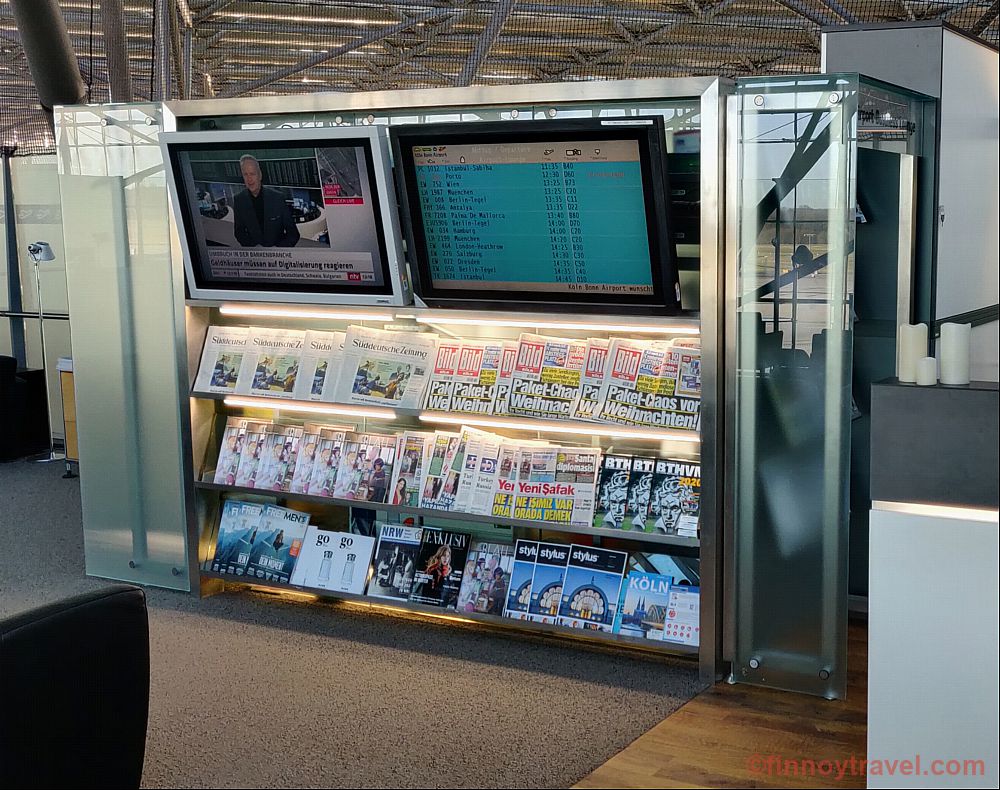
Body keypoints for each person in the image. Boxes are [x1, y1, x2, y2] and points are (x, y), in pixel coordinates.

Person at [232, 154, 300, 248]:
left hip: (279, 256)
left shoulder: (277, 198)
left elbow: (293, 234)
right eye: (245, 174)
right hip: (256, 258)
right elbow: (239, 233)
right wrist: (254, 248)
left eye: (252, 174)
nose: (249, 179)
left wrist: (278, 251)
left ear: (260, 175)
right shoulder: (239, 200)